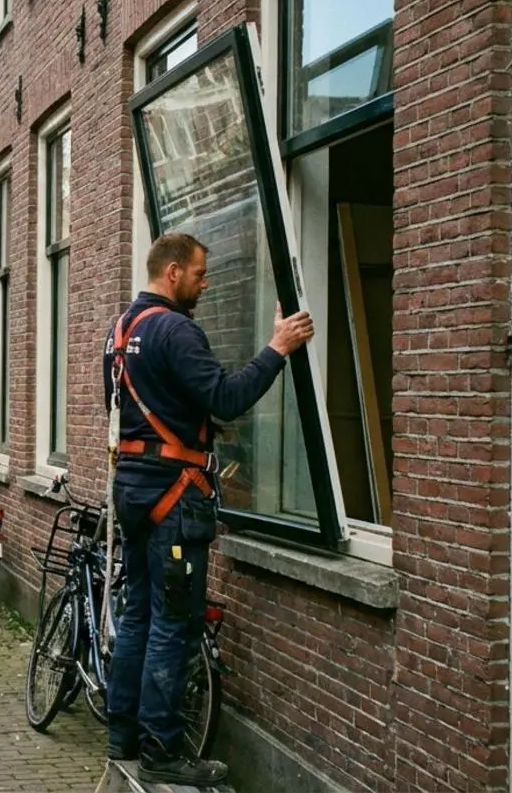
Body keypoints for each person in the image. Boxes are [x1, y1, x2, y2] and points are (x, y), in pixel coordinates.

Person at [102, 233, 315, 786]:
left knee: (138, 615)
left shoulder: (119, 332)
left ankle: (122, 734)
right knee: (174, 623)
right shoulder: (175, 328)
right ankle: (163, 749)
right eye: (199, 274)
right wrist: (278, 349)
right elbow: (224, 397)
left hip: (132, 488)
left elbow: (139, 408)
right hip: (174, 496)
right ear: (172, 273)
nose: (205, 283)